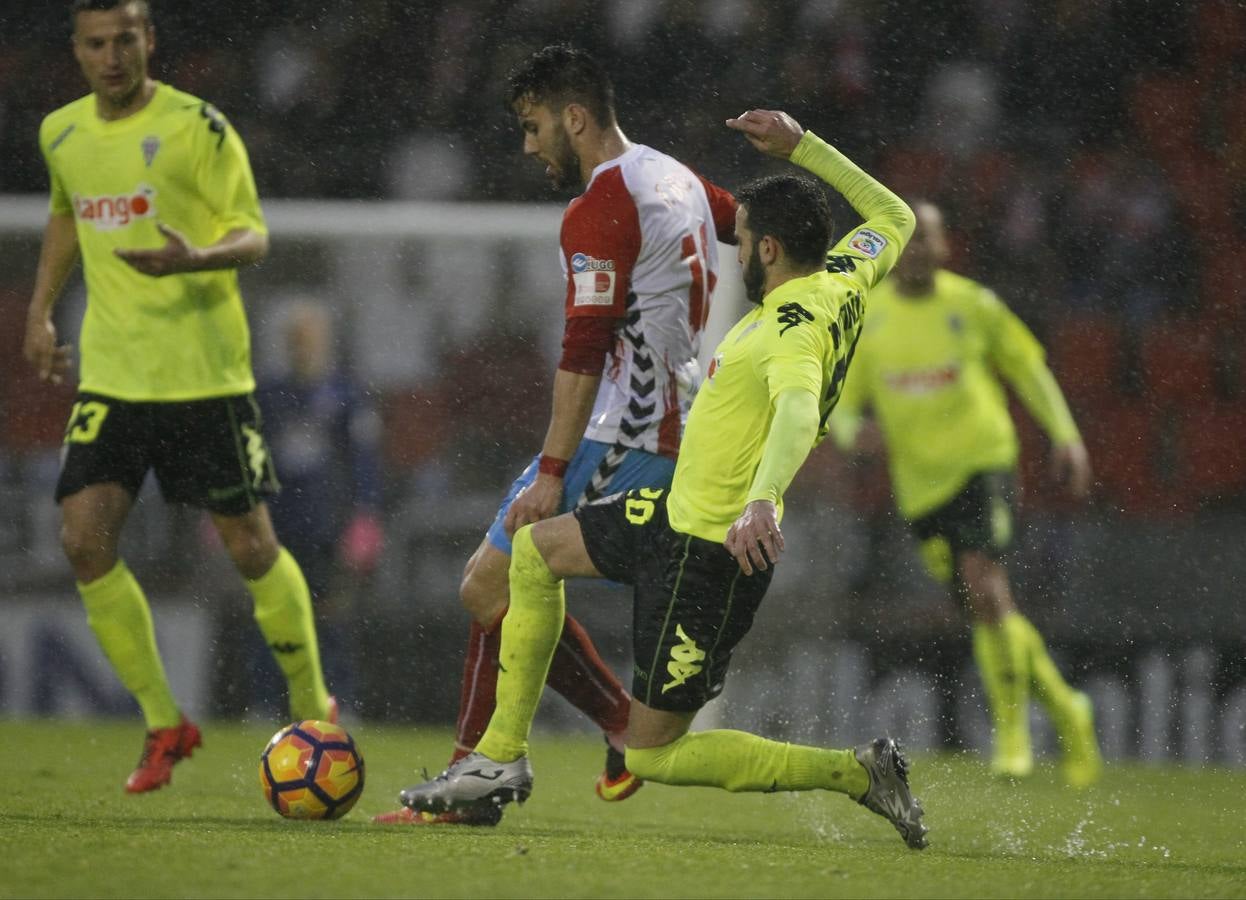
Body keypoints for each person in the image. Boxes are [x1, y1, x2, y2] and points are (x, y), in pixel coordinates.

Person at [396, 110, 929, 850]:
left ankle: (857, 773)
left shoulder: (794, 322)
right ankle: (498, 759)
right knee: (534, 548)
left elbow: (800, 410)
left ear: (768, 248)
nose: (735, 249)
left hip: (709, 554)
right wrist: (804, 146)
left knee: (652, 752)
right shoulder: (843, 274)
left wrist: (765, 500)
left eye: (741, 239)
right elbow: (894, 214)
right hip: (671, 512)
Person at [375, 43, 737, 827]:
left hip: (625, 437)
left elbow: (581, 352)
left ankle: (485, 773)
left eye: (535, 126)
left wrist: (551, 469)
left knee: (489, 582)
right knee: (492, 583)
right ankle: (576, 737)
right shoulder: (677, 177)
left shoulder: (601, 204)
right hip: (672, 426)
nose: (529, 145)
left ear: (575, 117)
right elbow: (759, 230)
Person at [22, 0, 335, 793]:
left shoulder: (200, 127)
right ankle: (166, 722)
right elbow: (66, 213)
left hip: (206, 380)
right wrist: (39, 311)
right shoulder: (61, 133)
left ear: (148, 41)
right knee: (83, 541)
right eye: (96, 44)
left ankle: (312, 707)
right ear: (79, 51)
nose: (112, 56)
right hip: (114, 379)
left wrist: (198, 256)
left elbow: (254, 233)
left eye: (126, 39)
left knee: (252, 550)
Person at [828, 200, 1104, 787]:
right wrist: (855, 436)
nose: (916, 251)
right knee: (987, 610)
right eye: (906, 241)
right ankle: (1066, 707)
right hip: (920, 489)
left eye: (926, 239)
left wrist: (1066, 436)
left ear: (945, 246)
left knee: (985, 585)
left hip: (983, 465)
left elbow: (1028, 369)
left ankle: (1013, 734)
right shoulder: (868, 319)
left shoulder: (974, 306)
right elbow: (843, 406)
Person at [246, 299, 384, 714]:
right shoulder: (269, 394)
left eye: (310, 339)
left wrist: (365, 513)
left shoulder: (346, 395)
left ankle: (340, 700)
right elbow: (252, 455)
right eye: (296, 340)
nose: (303, 348)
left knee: (330, 616)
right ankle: (267, 701)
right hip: (278, 519)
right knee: (272, 613)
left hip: (327, 522)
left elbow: (363, 458)